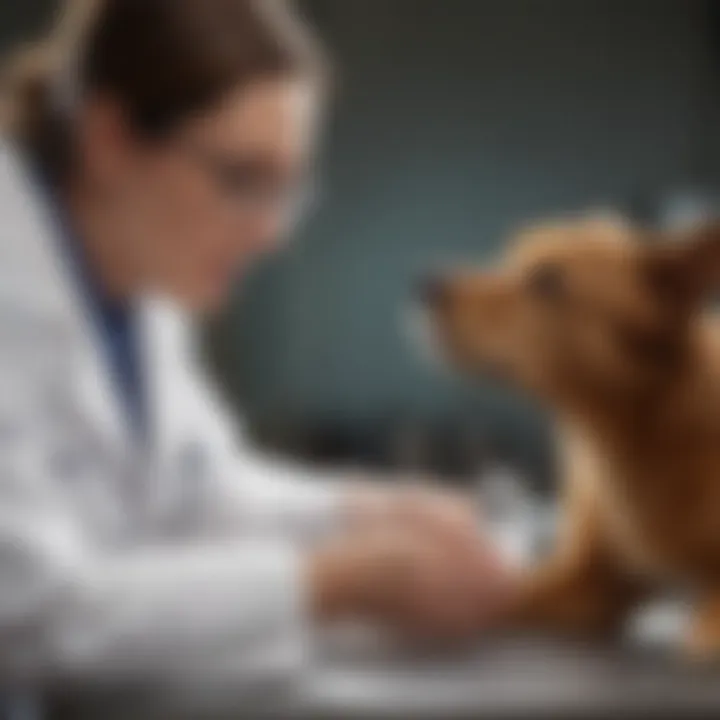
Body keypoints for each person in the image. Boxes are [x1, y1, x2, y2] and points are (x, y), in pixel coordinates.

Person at [0, 0, 512, 700]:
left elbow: (195, 491)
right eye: (243, 180)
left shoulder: (136, 286)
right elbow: (34, 615)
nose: (272, 234)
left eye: (288, 190)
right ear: (109, 139)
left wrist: (364, 511)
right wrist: (337, 582)